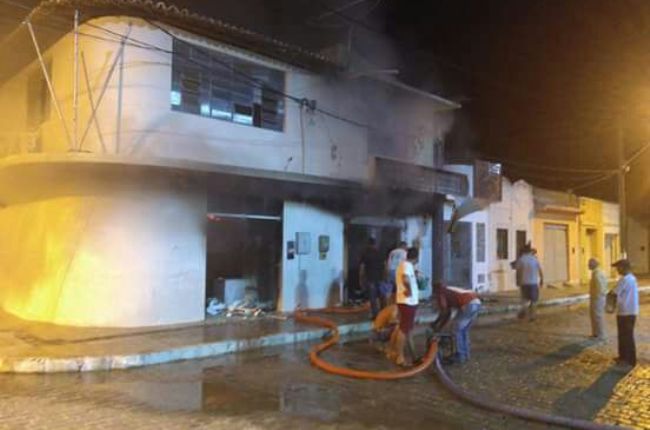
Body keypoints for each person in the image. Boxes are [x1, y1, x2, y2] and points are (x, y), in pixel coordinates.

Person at [431, 282, 482, 364]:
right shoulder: (450, 290)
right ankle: (466, 354)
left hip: (468, 304)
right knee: (463, 331)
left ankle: (460, 356)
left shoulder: (441, 292)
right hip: (477, 303)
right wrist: (439, 326)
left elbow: (444, 311)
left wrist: (437, 324)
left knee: (457, 330)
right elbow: (447, 313)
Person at [394, 247, 420, 366]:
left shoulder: (406, 266)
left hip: (408, 302)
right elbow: (405, 279)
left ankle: (414, 356)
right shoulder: (406, 266)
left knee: (408, 329)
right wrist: (409, 290)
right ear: (416, 258)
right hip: (407, 302)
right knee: (404, 329)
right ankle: (400, 357)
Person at [611, 259, 639, 367]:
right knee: (626, 335)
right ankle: (624, 357)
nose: (617, 270)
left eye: (618, 267)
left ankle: (628, 359)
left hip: (625, 312)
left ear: (623, 267)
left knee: (625, 336)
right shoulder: (632, 278)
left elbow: (614, 292)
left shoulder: (624, 280)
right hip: (630, 311)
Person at [514, 243, 544, 320]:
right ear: (530, 251)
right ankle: (532, 316)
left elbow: (518, 272)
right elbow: (540, 270)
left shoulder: (521, 259)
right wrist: (541, 280)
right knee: (534, 300)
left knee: (524, 299)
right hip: (533, 283)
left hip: (524, 282)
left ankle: (523, 311)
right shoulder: (534, 259)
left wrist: (517, 280)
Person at [359, 237, 385, 319]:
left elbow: (362, 268)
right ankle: (384, 314)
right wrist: (385, 277)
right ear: (375, 244)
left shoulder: (365, 254)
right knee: (382, 297)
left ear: (368, 244)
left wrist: (360, 279)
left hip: (370, 278)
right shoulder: (380, 253)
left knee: (373, 298)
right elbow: (386, 265)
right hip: (380, 278)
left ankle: (376, 315)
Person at [588, 258, 608, 340]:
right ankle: (596, 333)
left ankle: (600, 334)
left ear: (594, 264)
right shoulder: (597, 272)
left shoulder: (597, 274)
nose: (588, 265)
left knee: (598, 316)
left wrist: (597, 297)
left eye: (590, 263)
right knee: (595, 316)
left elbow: (600, 287)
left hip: (597, 298)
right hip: (597, 298)